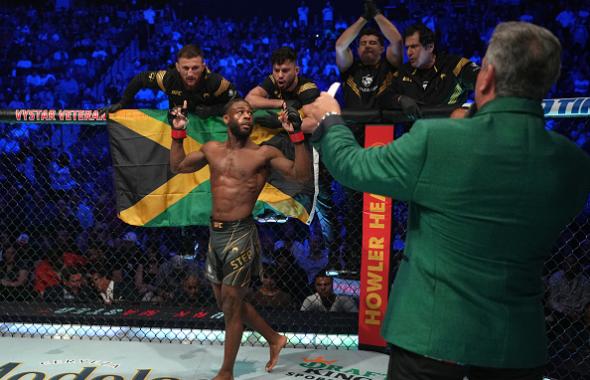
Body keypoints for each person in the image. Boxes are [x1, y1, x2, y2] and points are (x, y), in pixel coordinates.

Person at [305, 21, 590, 378]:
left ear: (485, 78)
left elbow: (353, 167)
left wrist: (331, 120)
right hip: (516, 344)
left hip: (431, 338)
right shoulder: (573, 164)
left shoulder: (437, 140)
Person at [169, 97, 311, 380]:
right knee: (225, 302)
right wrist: (178, 132)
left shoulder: (263, 154)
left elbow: (301, 176)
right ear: (226, 119)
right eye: (241, 112)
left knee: (232, 307)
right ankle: (274, 338)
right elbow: (179, 166)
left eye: (250, 112)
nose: (247, 116)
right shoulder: (211, 150)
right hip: (215, 233)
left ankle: (226, 372)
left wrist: (297, 136)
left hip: (241, 233)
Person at [105, 44, 237, 118]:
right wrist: (123, 102)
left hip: (210, 129)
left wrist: (212, 111)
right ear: (178, 67)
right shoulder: (168, 78)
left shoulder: (217, 82)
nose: (190, 73)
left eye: (195, 68)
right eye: (185, 68)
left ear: (203, 66)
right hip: (177, 126)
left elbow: (239, 103)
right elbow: (140, 78)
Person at [383, 23, 480, 119]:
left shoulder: (454, 65)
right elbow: (383, 96)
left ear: (430, 47)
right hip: (416, 131)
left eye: (414, 47)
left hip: (450, 129)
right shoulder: (404, 71)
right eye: (407, 47)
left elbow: (483, 81)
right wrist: (400, 99)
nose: (409, 53)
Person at [335, 0, 403, 109]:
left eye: (373, 43)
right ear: (357, 49)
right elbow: (340, 46)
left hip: (383, 123)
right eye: (363, 43)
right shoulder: (350, 67)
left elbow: (397, 40)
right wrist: (364, 18)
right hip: (354, 123)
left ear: (382, 48)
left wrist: (376, 14)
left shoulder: (390, 64)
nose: (367, 46)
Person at [245, 46, 320, 133]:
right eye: (276, 70)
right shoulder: (273, 80)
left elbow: (315, 123)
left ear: (296, 70)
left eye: (285, 71)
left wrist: (281, 124)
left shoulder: (307, 89)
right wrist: (282, 103)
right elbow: (249, 100)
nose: (280, 75)